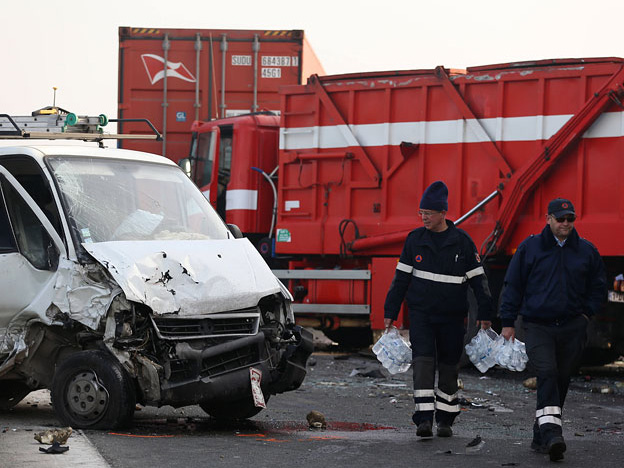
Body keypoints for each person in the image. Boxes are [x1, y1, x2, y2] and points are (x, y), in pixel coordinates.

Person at [499, 198, 607, 462]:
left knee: (561, 379)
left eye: (570, 219)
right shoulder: (530, 248)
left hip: (572, 326)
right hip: (538, 325)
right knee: (546, 372)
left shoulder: (586, 251)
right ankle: (551, 434)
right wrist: (508, 322)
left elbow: (598, 286)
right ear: (548, 219)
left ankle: (540, 435)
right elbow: (513, 285)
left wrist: (585, 315)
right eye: (561, 219)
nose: (566, 223)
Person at [383, 180, 493, 438]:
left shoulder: (462, 243)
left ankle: (445, 419)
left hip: (453, 317)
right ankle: (423, 419)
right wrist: (391, 311)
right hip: (421, 314)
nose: (424, 218)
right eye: (421, 213)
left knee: (448, 366)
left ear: (443, 213)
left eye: (429, 214)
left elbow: (479, 281)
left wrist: (486, 314)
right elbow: (400, 280)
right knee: (422, 363)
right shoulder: (414, 241)